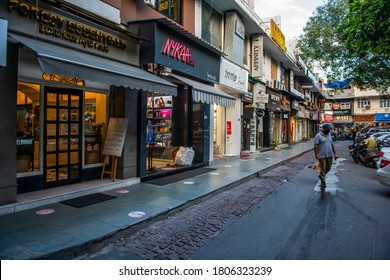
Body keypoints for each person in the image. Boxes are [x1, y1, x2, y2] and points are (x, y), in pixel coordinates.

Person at [314, 124, 338, 198]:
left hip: (330, 155)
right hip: (322, 155)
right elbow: (315, 145)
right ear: (323, 129)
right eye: (327, 129)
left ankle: (322, 176)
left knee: (328, 167)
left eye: (329, 129)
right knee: (323, 168)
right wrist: (316, 154)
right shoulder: (318, 135)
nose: (328, 130)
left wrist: (335, 153)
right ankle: (323, 181)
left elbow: (332, 144)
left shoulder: (329, 135)